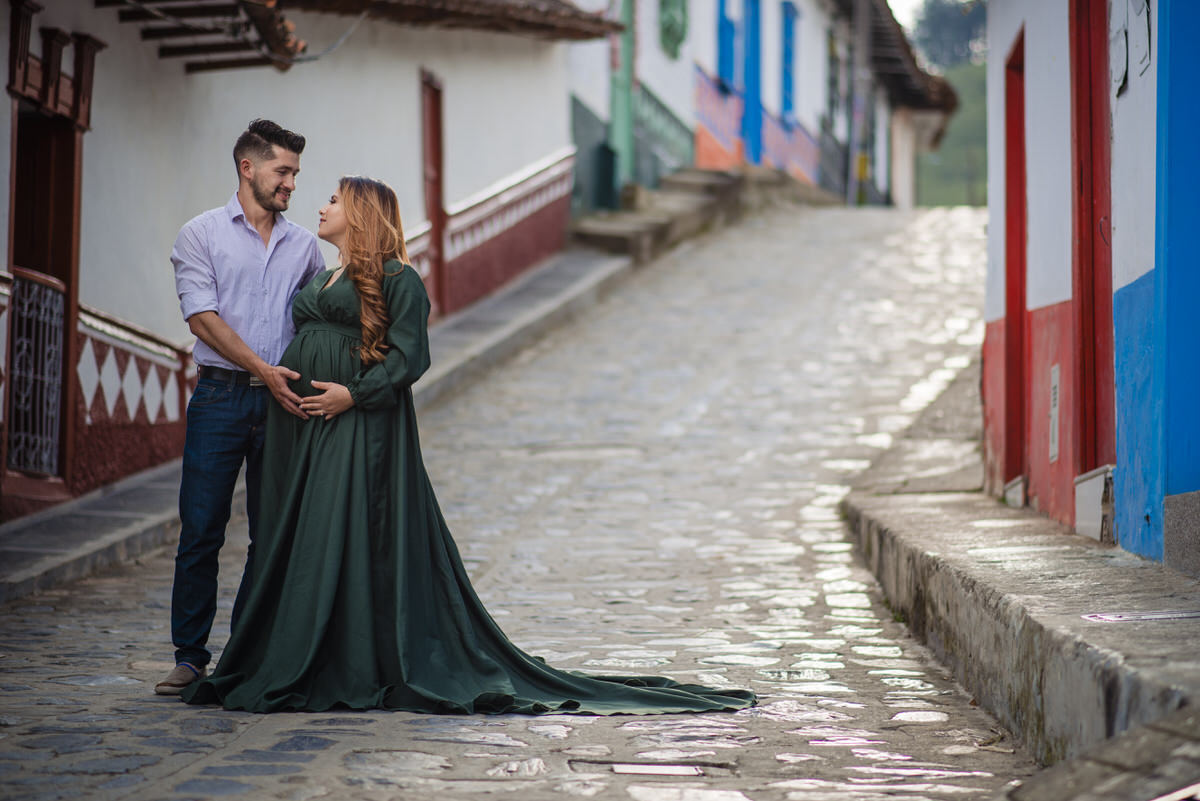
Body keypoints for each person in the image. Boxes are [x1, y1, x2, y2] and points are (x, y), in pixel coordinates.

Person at [182, 176, 755, 715]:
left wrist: (351, 396)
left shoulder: (399, 278)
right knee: (300, 535)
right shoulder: (320, 275)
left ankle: (346, 657)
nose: (321, 206)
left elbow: (411, 358)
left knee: (347, 531)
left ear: (359, 214)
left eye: (333, 199)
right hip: (302, 428)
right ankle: (289, 648)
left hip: (354, 425)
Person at [156, 120, 326, 696]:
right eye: (284, 172)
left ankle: (246, 653)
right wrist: (263, 373)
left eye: (296, 174)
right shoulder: (199, 234)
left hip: (285, 404)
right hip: (221, 397)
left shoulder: (305, 246)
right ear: (248, 168)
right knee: (201, 527)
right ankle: (189, 656)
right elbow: (201, 317)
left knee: (270, 532)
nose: (292, 185)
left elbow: (318, 321)